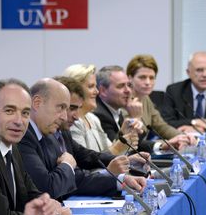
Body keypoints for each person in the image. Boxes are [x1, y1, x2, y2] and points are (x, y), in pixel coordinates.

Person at [17, 78, 146, 200]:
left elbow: (80, 171)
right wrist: (67, 165)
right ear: (37, 103)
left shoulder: (48, 133)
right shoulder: (24, 137)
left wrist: (121, 179)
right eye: (61, 108)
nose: (64, 116)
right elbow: (47, 188)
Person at [0, 78, 72, 215]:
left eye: (25, 113)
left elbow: (30, 192)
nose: (19, 121)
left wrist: (49, 206)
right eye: (9, 111)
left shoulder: (13, 146)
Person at [54, 76, 149, 176]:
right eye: (91, 86)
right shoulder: (66, 127)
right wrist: (109, 171)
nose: (96, 91)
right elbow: (77, 176)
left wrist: (126, 161)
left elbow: (89, 156)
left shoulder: (86, 121)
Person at [62, 64, 142, 155]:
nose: (97, 91)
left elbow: (109, 152)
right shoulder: (72, 123)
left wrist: (123, 134)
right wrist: (119, 146)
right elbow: (86, 163)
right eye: (91, 86)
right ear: (75, 91)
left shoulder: (93, 118)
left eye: (95, 86)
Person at [126, 55, 196, 150]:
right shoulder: (124, 101)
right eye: (142, 77)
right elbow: (131, 141)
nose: (148, 82)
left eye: (152, 78)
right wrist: (163, 144)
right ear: (130, 78)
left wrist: (183, 137)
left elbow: (161, 126)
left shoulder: (145, 98)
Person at [162, 51, 206, 132]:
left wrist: (201, 129)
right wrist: (195, 122)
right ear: (188, 72)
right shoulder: (174, 91)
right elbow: (165, 123)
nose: (205, 74)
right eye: (199, 70)